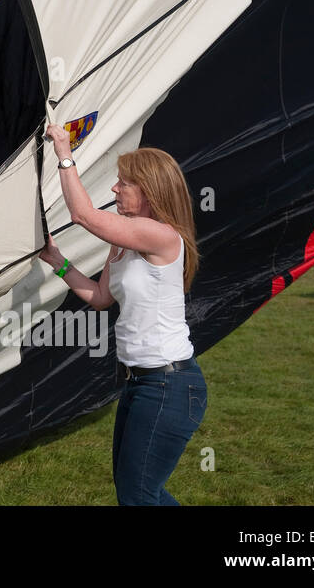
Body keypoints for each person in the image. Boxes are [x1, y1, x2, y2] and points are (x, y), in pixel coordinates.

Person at [37, 124, 206, 505]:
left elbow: (82, 214)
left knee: (138, 495)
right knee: (140, 493)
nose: (114, 189)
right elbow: (99, 297)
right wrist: (58, 262)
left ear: (149, 191)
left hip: (169, 386)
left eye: (123, 183)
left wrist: (64, 149)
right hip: (140, 385)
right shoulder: (124, 246)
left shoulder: (162, 236)